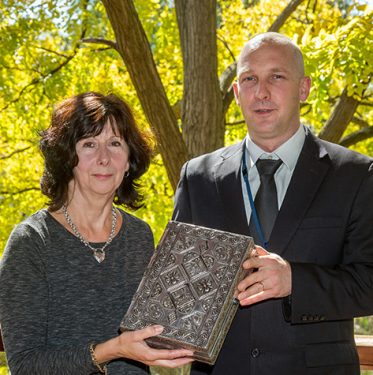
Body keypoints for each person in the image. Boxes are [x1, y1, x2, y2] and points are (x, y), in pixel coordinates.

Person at [172, 32, 373, 374]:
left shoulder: (356, 174)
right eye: (250, 78)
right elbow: (181, 286)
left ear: (304, 88)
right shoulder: (197, 177)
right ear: (237, 93)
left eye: (276, 77)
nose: (261, 92)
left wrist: (295, 280)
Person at [0, 92, 193, 374]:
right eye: (89, 144)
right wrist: (111, 350)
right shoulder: (32, 242)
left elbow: (154, 333)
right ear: (68, 157)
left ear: (128, 161)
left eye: (115, 143)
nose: (104, 158)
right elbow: (25, 365)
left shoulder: (139, 236)